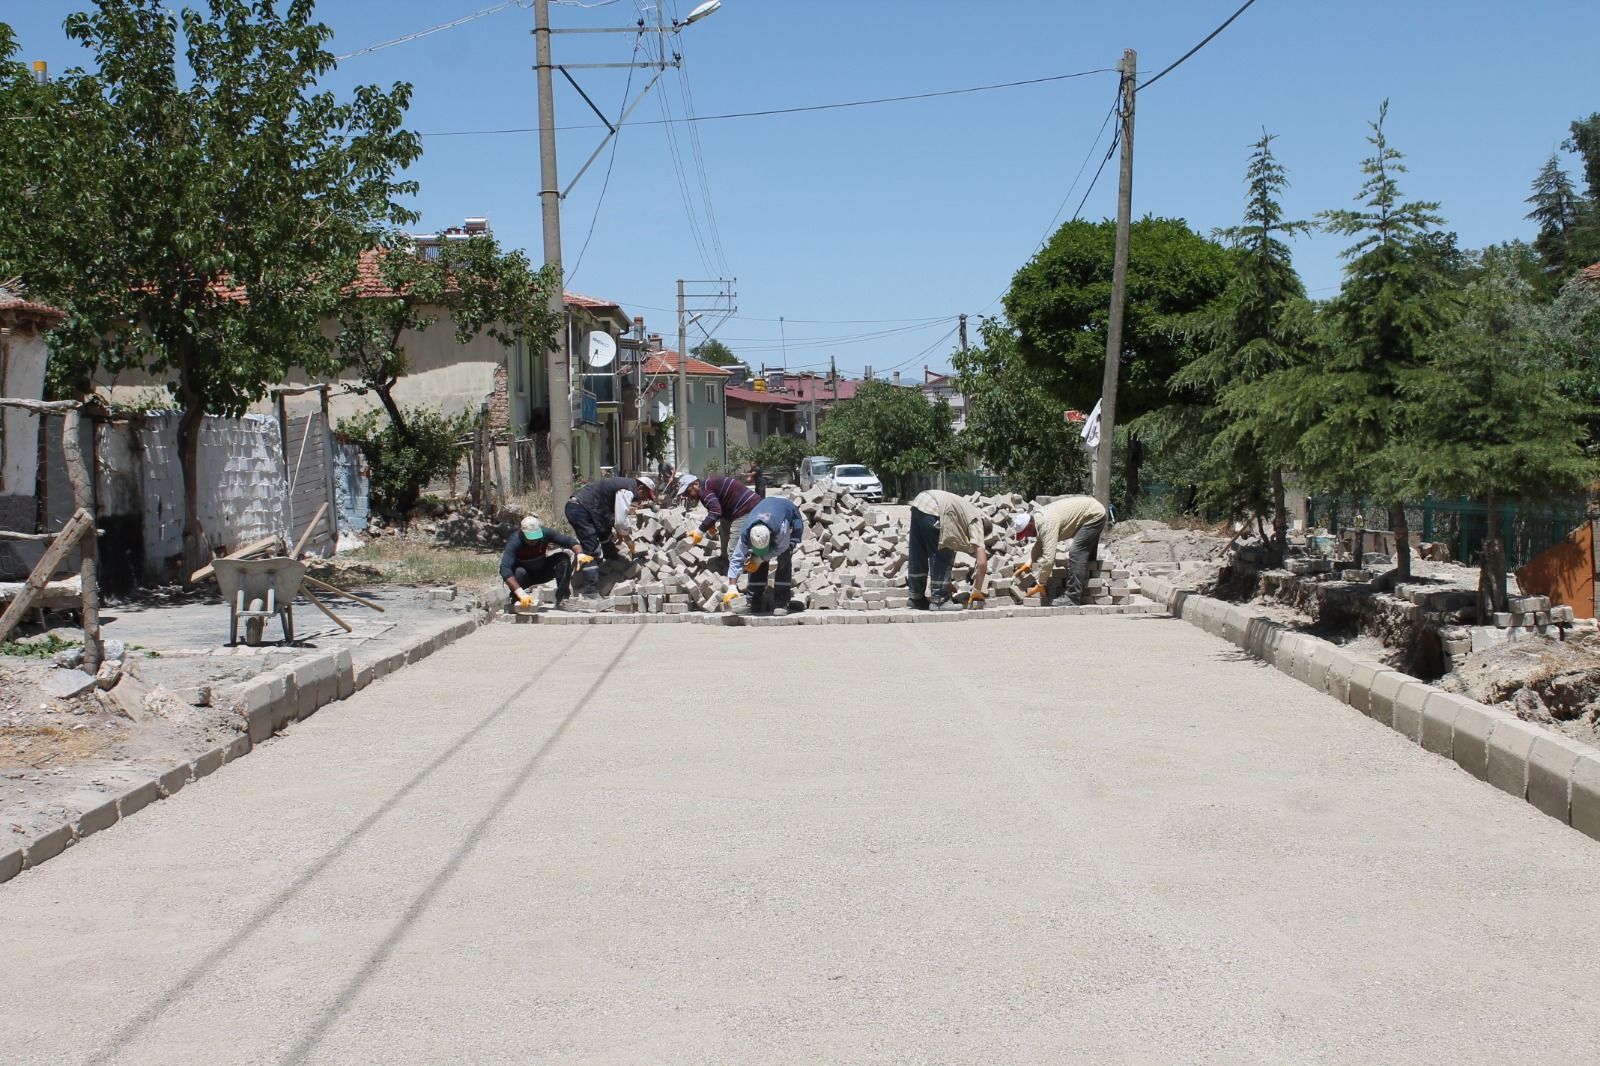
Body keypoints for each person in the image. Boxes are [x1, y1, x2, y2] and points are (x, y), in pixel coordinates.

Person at [563, 474, 656, 607]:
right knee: (592, 549)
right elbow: (620, 520)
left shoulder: (625, 486)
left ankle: (612, 561)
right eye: (646, 496)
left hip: (588, 509)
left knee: (605, 536)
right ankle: (589, 591)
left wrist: (622, 535)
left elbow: (616, 518)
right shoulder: (627, 490)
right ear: (641, 488)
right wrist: (627, 538)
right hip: (580, 510)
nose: (644, 500)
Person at [1011, 495, 1107, 606]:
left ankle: (1072, 596)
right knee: (1084, 553)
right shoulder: (1038, 519)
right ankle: (1089, 583)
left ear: (1031, 525)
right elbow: (1040, 543)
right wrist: (1030, 561)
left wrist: (1041, 583)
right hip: (1090, 511)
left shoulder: (1046, 524)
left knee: (1076, 552)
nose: (1026, 537)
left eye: (1025, 533)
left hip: (1094, 515)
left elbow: (1048, 559)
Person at [907, 488, 990, 611]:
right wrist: (977, 590)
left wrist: (946, 583)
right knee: (944, 548)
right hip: (936, 508)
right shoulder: (977, 522)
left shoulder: (965, 513)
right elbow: (982, 563)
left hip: (920, 502)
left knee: (919, 553)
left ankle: (916, 598)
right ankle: (939, 601)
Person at [725, 495, 804, 615]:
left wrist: (761, 558)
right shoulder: (746, 532)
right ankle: (754, 602)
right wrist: (731, 587)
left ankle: (781, 602)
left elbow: (781, 547)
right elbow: (737, 558)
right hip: (766, 509)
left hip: (789, 515)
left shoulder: (780, 528)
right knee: (754, 559)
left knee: (785, 557)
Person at [678, 472, 761, 562]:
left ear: (696, 484)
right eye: (685, 494)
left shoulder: (704, 490)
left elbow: (716, 511)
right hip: (737, 509)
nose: (688, 496)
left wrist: (700, 530)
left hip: (746, 508)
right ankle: (724, 560)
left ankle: (741, 572)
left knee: (733, 551)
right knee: (724, 526)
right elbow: (713, 508)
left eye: (687, 492)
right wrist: (711, 524)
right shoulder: (704, 487)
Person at [500, 515, 578, 610]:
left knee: (563, 559)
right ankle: (517, 600)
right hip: (524, 576)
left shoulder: (545, 533)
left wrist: (581, 554)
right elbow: (504, 568)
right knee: (519, 572)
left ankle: (562, 600)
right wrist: (519, 592)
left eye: (536, 537)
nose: (533, 540)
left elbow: (569, 541)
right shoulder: (515, 541)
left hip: (542, 571)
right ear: (521, 532)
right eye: (530, 537)